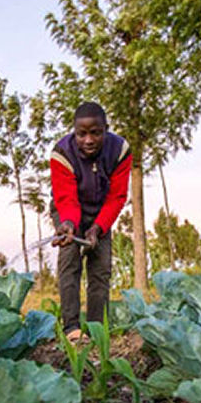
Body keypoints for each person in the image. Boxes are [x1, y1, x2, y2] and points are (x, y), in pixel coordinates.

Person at [49, 102, 131, 342]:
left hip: (101, 212)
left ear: (106, 129)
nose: (88, 140)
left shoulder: (120, 150)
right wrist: (69, 225)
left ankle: (96, 329)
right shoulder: (61, 154)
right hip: (68, 211)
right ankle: (71, 328)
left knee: (100, 267)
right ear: (74, 132)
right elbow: (66, 199)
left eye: (95, 132)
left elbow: (117, 196)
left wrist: (98, 228)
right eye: (81, 134)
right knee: (70, 260)